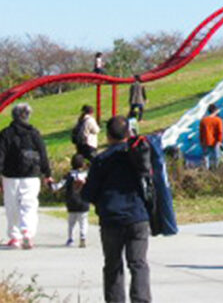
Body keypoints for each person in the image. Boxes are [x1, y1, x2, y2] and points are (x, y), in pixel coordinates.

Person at [82, 115, 151, 303]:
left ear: (108, 135)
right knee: (138, 263)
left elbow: (89, 194)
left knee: (113, 265)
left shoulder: (101, 160)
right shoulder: (137, 156)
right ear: (128, 133)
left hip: (111, 218)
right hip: (137, 215)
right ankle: (141, 299)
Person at [0, 103, 53, 249]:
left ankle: (15, 237)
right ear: (28, 116)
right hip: (31, 175)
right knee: (29, 205)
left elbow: (0, 156)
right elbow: (43, 154)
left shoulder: (5, 133)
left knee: (12, 206)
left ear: (13, 116)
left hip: (10, 176)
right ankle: (27, 232)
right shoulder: (34, 133)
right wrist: (47, 173)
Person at [52, 153, 90, 247]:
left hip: (71, 202)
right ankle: (83, 237)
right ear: (82, 164)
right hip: (84, 201)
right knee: (83, 221)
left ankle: (70, 239)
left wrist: (50, 184)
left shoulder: (68, 175)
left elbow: (58, 186)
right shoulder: (86, 175)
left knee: (71, 222)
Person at [199, 104, 223, 169]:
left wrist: (201, 142)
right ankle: (216, 170)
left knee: (206, 157)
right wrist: (219, 141)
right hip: (215, 142)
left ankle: (206, 170)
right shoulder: (218, 120)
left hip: (205, 141)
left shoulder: (203, 121)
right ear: (215, 111)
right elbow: (220, 132)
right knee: (216, 157)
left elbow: (201, 132)